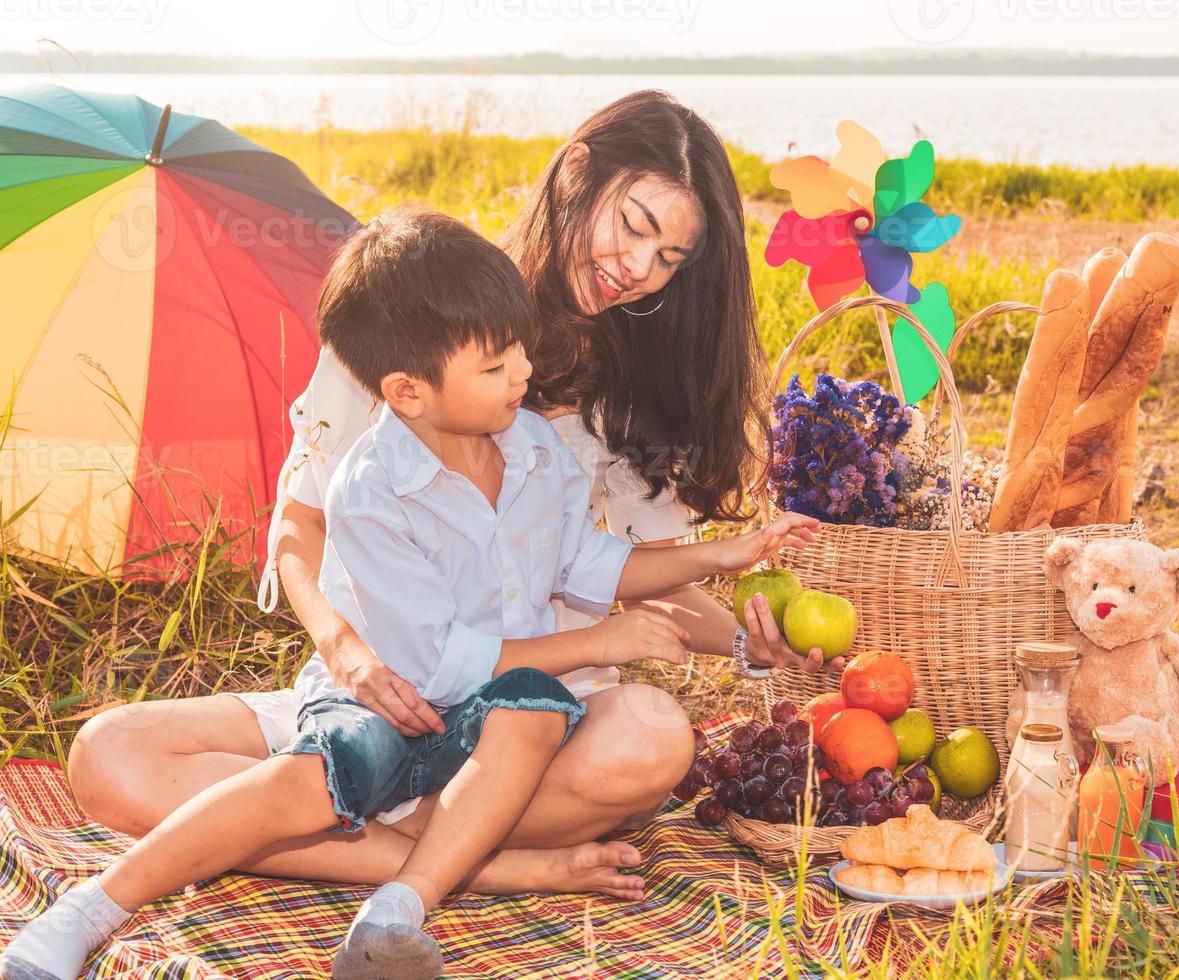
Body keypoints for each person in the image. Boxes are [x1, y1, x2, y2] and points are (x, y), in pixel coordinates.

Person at [2, 206, 817, 980]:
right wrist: (599, 643)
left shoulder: (534, 450)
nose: (524, 377)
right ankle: (93, 907)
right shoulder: (371, 487)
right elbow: (436, 661)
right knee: (309, 777)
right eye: (498, 366)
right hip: (392, 703)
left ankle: (399, 904)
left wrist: (725, 555)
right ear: (407, 392)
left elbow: (593, 565)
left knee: (532, 709)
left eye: (522, 355)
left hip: (493, 723)